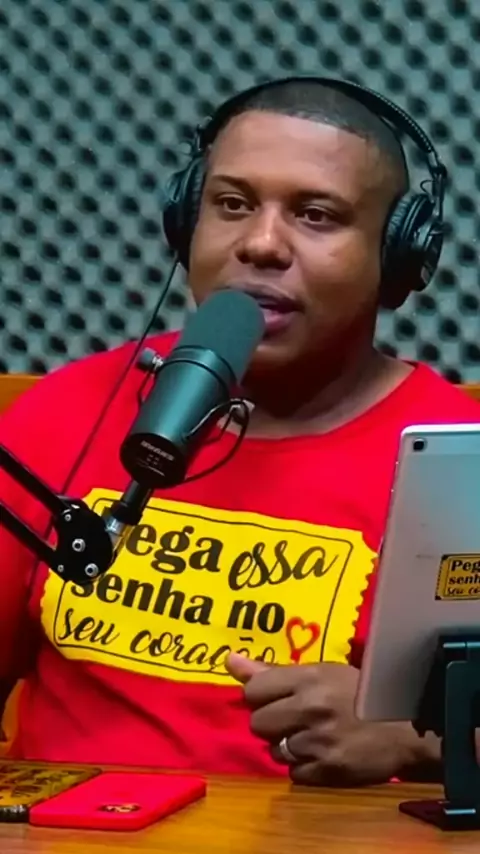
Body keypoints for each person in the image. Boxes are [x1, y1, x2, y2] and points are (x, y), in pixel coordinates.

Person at [0, 76, 478, 787]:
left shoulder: (458, 458)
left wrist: (418, 738)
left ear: (398, 256)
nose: (260, 243)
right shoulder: (66, 410)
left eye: (316, 215)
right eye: (231, 204)